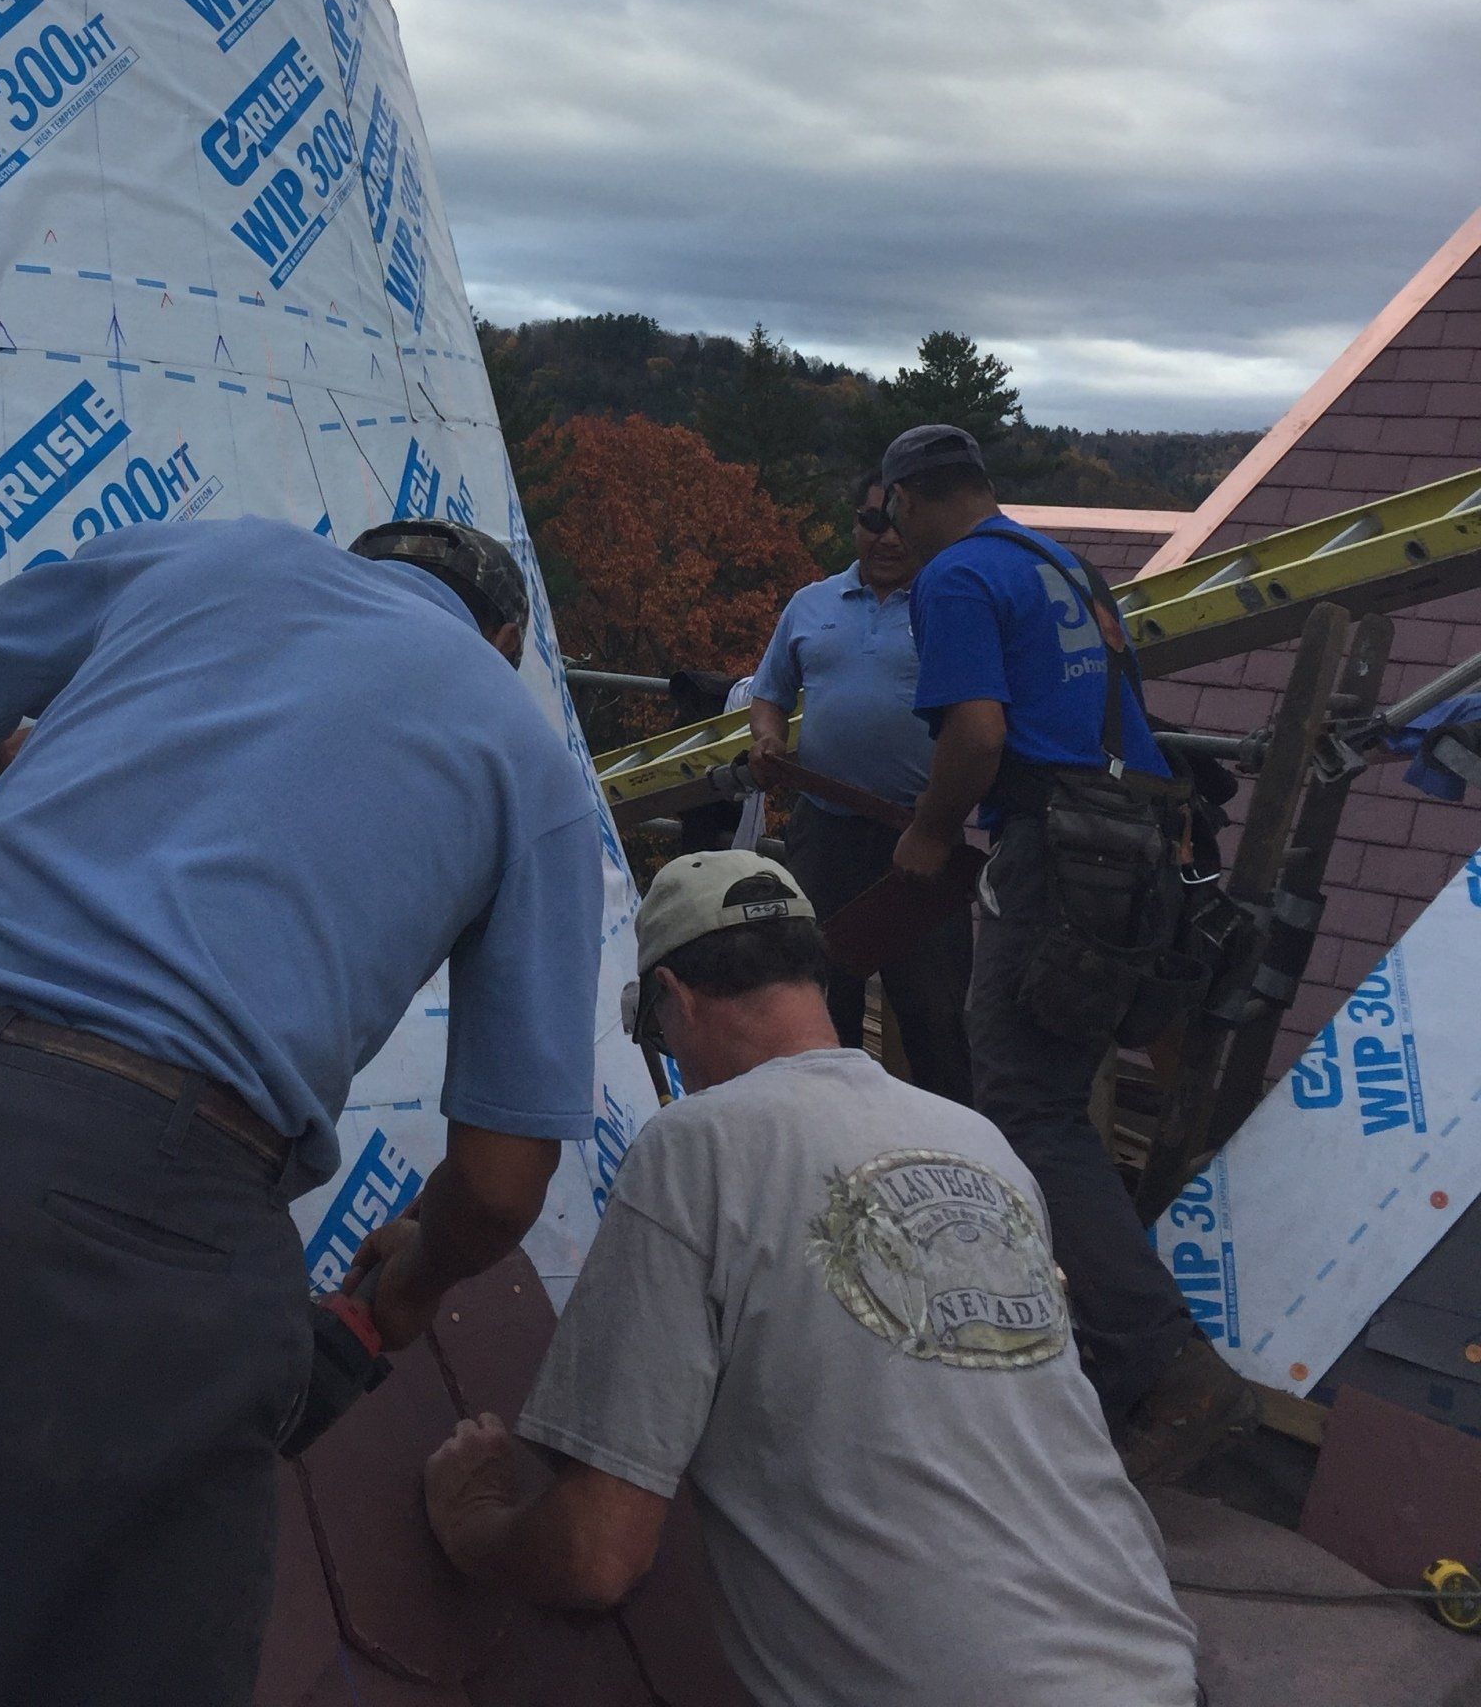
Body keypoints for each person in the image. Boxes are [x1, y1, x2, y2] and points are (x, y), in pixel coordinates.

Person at [0, 514, 602, 1707]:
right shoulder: (525, 754)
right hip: (143, 1202)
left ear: (355, 565)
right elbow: (498, 1182)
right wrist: (422, 1274)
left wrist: (23, 768)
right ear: (501, 639)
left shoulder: (220, 555)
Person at [421, 850, 1201, 1707]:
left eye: (656, 1033)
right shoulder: (981, 1144)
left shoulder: (699, 1144)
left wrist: (476, 1530)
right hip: (1155, 1665)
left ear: (675, 999)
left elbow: (595, 1557)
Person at [878, 423, 1256, 1483]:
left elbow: (981, 734)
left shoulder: (954, 576)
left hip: (1057, 850)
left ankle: (1163, 1362)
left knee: (1030, 1099)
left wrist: (931, 830)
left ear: (906, 501)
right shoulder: (1064, 565)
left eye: (888, 511)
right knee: (1063, 1081)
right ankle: (1103, 1343)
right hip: (1132, 842)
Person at [748, 474, 972, 1099]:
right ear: (854, 525)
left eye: (900, 523)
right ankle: (831, 1139)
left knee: (934, 1012)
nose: (887, 538)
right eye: (874, 522)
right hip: (824, 830)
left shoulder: (949, 607)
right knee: (819, 1001)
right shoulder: (810, 604)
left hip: (922, 836)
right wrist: (768, 738)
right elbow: (770, 693)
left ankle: (954, 1147)